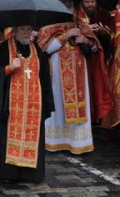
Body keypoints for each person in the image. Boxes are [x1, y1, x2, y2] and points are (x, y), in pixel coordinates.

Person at [37, 13, 111, 154]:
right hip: (57, 75)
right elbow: (46, 49)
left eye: (69, 2)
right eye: (64, 2)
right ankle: (56, 141)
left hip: (79, 73)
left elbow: (96, 49)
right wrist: (66, 34)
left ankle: (78, 142)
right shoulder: (48, 27)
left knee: (80, 107)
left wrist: (86, 41)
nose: (67, 5)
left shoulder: (82, 25)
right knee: (57, 106)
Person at [0, 25, 54, 182]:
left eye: (29, 29)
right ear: (15, 31)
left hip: (34, 105)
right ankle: (9, 174)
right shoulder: (5, 48)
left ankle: (31, 175)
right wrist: (9, 68)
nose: (27, 32)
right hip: (11, 107)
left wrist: (46, 102)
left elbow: (45, 76)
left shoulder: (37, 50)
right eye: (23, 29)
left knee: (33, 137)